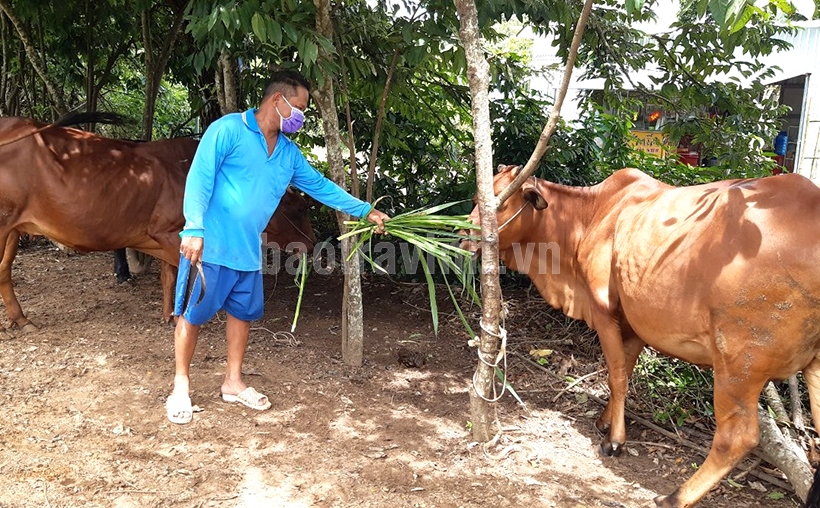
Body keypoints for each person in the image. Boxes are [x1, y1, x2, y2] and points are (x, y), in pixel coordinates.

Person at [166, 70, 390, 424]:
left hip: (248, 252)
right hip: (210, 247)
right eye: (299, 108)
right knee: (191, 315)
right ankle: (181, 386)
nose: (301, 116)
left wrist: (365, 210)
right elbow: (200, 177)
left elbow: (320, 186)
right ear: (277, 100)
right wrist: (193, 227)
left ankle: (233, 382)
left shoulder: (288, 154)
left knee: (242, 315)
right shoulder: (228, 130)